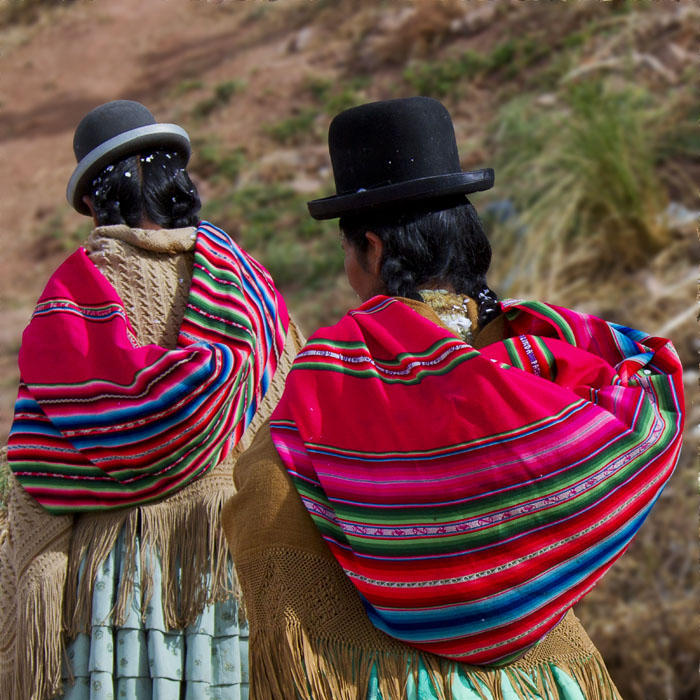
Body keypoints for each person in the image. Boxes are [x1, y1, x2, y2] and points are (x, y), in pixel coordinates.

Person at [222, 97, 685, 699]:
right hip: (550, 673)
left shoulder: (342, 373)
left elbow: (269, 501)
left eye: (346, 250)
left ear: (374, 250)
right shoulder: (544, 358)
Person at [0, 100, 304, 699]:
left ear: (92, 201)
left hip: (114, 576)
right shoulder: (244, 286)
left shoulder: (75, 293)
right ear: (177, 183)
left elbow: (40, 461)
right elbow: (286, 420)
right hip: (227, 557)